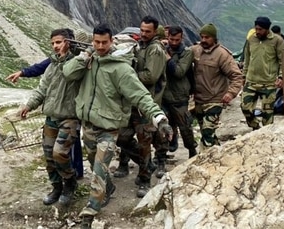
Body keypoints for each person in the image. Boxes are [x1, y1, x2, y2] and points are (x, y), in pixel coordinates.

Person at [63, 23, 171, 229]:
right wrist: (84, 56)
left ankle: (89, 214)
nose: (100, 46)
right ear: (92, 41)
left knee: (99, 171)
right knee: (95, 162)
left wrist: (160, 118)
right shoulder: (88, 62)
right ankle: (109, 188)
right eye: (96, 42)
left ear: (111, 41)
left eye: (104, 42)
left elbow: (141, 95)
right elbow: (68, 74)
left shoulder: (120, 68)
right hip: (89, 126)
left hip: (109, 128)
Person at [20, 29, 81, 206]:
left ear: (68, 42)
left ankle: (70, 183)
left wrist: (67, 56)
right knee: (49, 156)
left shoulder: (76, 63)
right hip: (51, 117)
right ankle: (56, 187)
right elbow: (42, 89)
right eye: (53, 43)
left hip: (69, 117)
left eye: (59, 42)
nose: (55, 46)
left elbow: (71, 73)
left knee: (60, 153)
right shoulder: (51, 65)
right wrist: (29, 105)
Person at [114, 15, 167, 198]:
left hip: (146, 104)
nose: (143, 34)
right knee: (122, 138)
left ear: (154, 32)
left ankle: (145, 180)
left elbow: (151, 76)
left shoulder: (156, 50)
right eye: (142, 30)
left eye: (147, 31)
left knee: (145, 144)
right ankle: (148, 165)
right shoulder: (139, 47)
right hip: (132, 103)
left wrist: (127, 75)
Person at [191, 24, 243, 147]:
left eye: (207, 37)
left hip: (215, 100)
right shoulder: (195, 50)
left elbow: (237, 76)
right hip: (199, 100)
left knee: (207, 132)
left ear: (214, 38)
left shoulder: (222, 55)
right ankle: (218, 153)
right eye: (202, 37)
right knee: (207, 131)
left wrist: (230, 93)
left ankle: (202, 161)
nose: (203, 40)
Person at [242, 17, 284, 130]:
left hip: (268, 83)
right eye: (256, 28)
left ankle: (267, 134)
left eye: (260, 29)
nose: (257, 31)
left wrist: (282, 77)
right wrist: (244, 75)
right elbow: (247, 59)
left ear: (267, 29)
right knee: (245, 108)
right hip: (251, 81)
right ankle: (255, 126)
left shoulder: (277, 40)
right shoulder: (251, 39)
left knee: (268, 114)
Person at [160, 26, 198, 164]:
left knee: (185, 127)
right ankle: (161, 156)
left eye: (177, 40)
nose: (174, 42)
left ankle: (192, 150)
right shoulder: (164, 49)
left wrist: (168, 58)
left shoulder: (187, 53)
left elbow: (179, 72)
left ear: (181, 38)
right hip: (164, 95)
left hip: (179, 96)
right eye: (171, 39)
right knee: (163, 126)